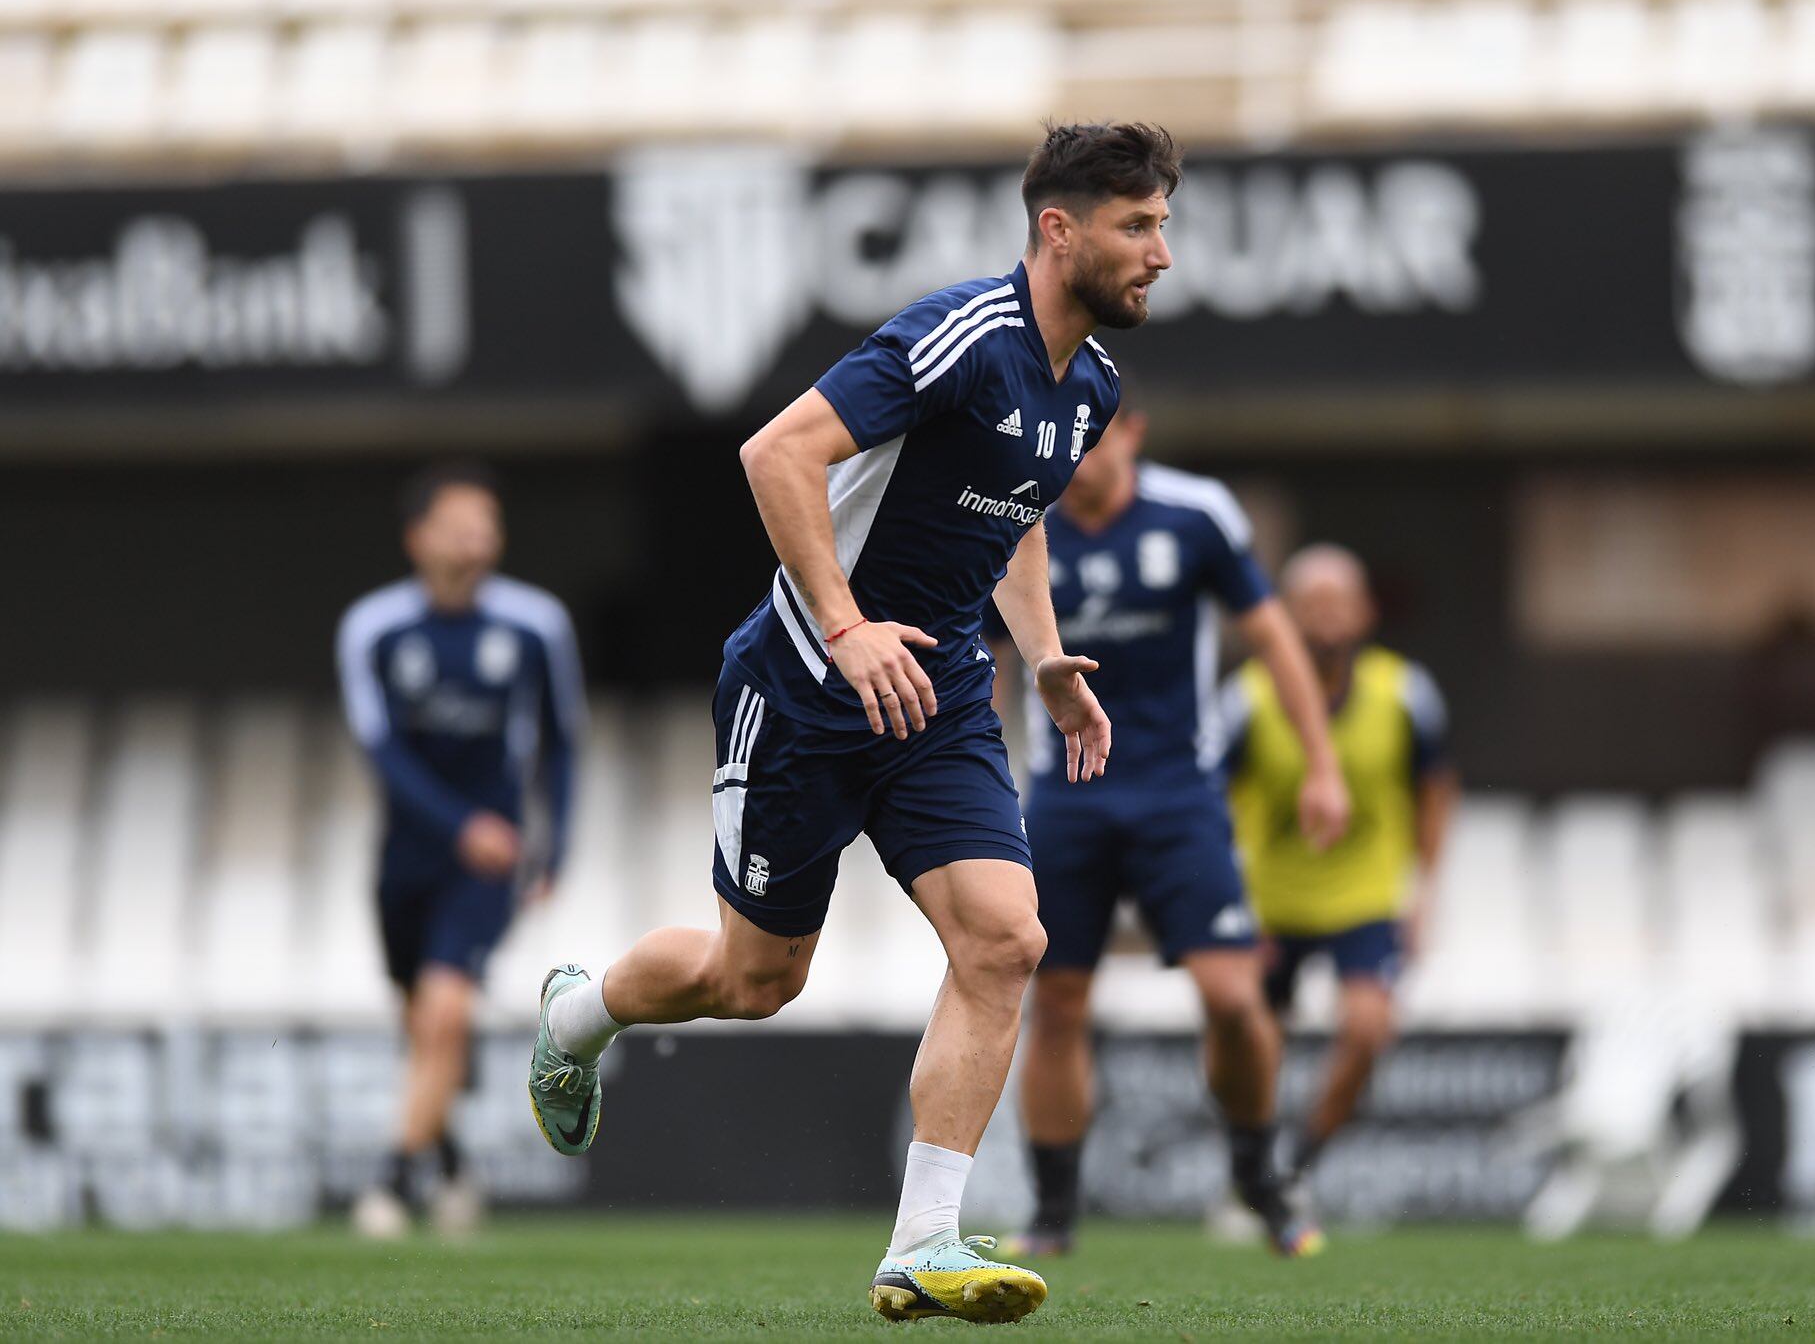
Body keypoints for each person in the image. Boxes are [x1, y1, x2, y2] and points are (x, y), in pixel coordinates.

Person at [525, 123, 1181, 1325]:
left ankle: (921, 1243)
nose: (1161, 253)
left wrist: (1039, 658)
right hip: (804, 688)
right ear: (1058, 229)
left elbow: (1016, 511)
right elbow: (775, 451)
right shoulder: (961, 336)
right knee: (753, 977)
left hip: (937, 701)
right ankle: (580, 1014)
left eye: (1162, 224)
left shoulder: (1088, 386)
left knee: (1005, 940)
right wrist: (843, 627)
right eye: (1138, 225)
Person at [1004, 409, 1349, 1258]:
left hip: (1178, 795)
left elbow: (1274, 639)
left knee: (1234, 999)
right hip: (1065, 795)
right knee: (1055, 1005)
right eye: (1067, 440)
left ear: (1133, 434)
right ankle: (1053, 1213)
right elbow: (981, 661)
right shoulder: (1017, 518)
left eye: (1097, 437)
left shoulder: (1196, 515)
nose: (1079, 457)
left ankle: (1257, 1175)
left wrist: (1321, 762)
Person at [337, 461, 583, 1238]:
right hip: (406, 859)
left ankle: (388, 1179)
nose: (478, 535)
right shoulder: (373, 628)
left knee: (444, 1014)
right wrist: (455, 827)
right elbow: (381, 751)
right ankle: (448, 1162)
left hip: (492, 860)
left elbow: (563, 743)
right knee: (423, 1024)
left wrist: (556, 849)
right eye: (459, 521)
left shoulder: (536, 624)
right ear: (419, 537)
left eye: (488, 521)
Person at [1226, 544, 1456, 1194]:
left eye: (1338, 601)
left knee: (1367, 1026)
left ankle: (1299, 1162)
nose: (1326, 616)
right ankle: (1253, 1161)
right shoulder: (1247, 698)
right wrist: (1233, 900)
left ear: (1365, 613)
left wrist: (1424, 891)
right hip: (1271, 897)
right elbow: (1213, 803)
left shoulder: (1406, 692)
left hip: (1368, 893)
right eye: (1310, 603)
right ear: (1285, 615)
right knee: (1249, 1039)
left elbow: (1437, 792)